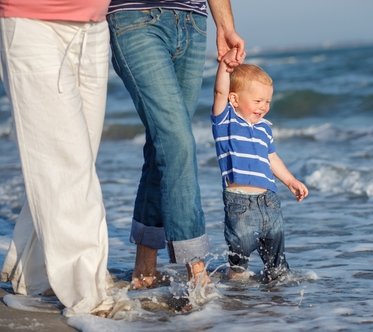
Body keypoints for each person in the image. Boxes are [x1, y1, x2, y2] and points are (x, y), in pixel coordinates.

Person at [106, 0, 245, 289]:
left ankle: (144, 269)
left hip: (192, 22)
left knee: (164, 144)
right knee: (177, 141)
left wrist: (226, 26)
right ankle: (197, 273)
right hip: (136, 18)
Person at [0, 0, 114, 316]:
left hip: (93, 26)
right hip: (30, 22)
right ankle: (88, 293)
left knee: (77, 160)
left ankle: (31, 272)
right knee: (67, 163)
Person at [212, 48, 309, 282]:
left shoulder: (265, 127)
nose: (264, 106)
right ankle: (236, 280)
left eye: (267, 101)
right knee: (240, 248)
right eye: (258, 100)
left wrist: (290, 180)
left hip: (269, 200)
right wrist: (224, 67)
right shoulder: (226, 120)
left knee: (276, 254)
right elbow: (219, 91)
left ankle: (277, 285)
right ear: (234, 99)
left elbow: (271, 157)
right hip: (240, 202)